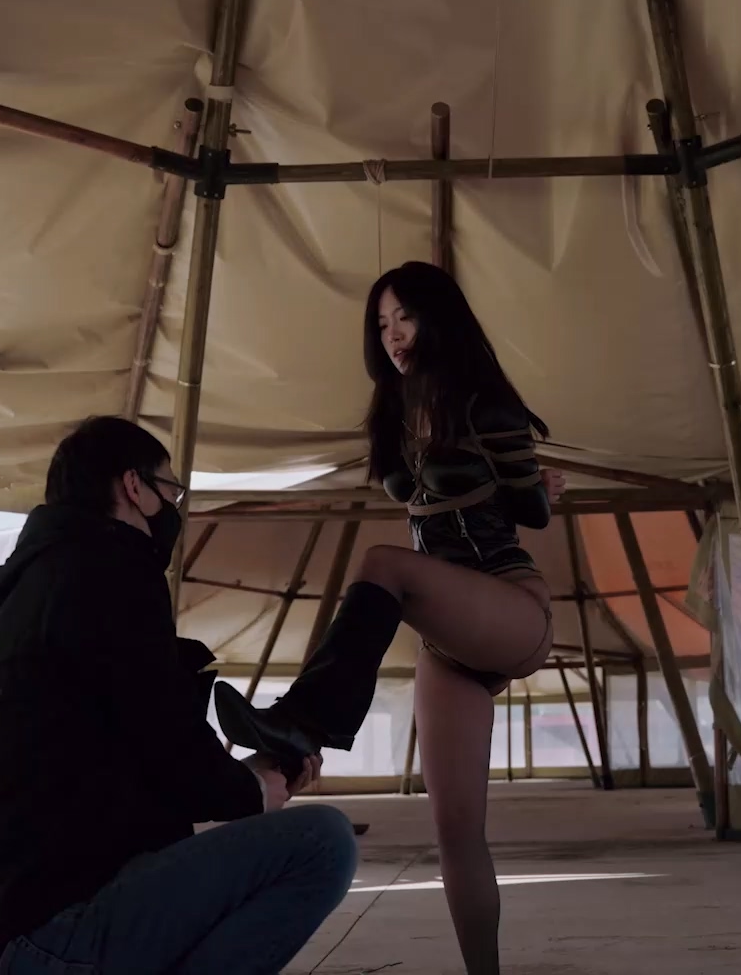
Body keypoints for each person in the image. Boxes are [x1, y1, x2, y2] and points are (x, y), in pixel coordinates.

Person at [213, 260, 566, 975]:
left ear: (438, 318)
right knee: (455, 832)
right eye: (381, 323)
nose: (394, 334)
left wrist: (540, 482)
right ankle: (284, 758)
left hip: (509, 603)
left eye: (405, 316)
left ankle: (303, 725)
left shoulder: (486, 404)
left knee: (382, 563)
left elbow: (531, 513)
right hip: (449, 639)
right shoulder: (395, 414)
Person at [0, 416, 358, 975]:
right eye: (172, 490)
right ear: (134, 487)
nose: (174, 507)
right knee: (323, 842)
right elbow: (166, 737)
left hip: (18, 939)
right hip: (58, 935)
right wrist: (247, 792)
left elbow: (135, 758)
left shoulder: (40, 592)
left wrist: (243, 782)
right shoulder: (109, 570)